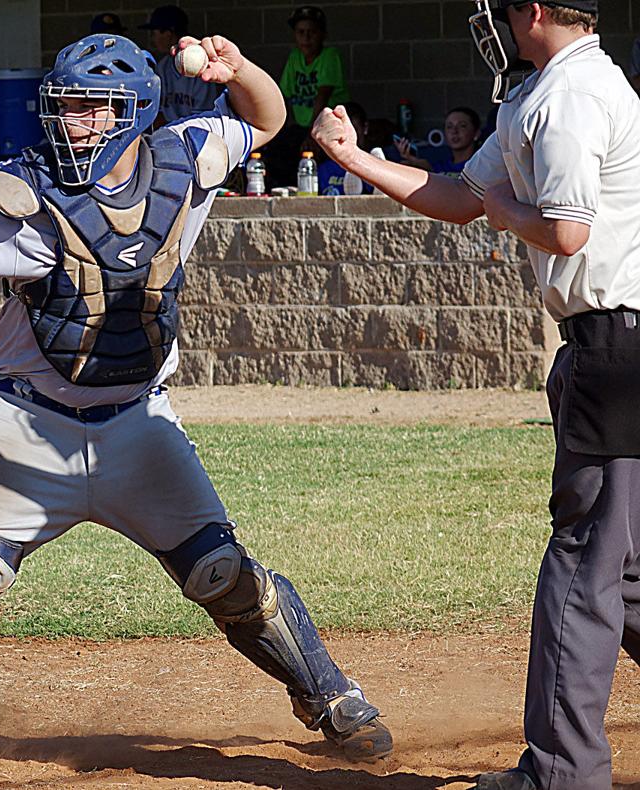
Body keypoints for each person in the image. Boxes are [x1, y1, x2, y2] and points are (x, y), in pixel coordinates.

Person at [0, 30, 393, 766]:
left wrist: (241, 70)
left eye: (95, 108)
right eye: (66, 108)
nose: (75, 122)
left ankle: (328, 694)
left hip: (138, 425)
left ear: (135, 111)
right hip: (25, 421)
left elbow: (266, 119)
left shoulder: (185, 159)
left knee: (223, 575)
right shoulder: (16, 192)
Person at [312, 2, 639, 788]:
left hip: (615, 344)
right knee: (627, 574)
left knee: (582, 562)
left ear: (533, 12)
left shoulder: (568, 99)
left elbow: (565, 231)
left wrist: (503, 211)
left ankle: (560, 773)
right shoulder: (554, 90)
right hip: (615, 344)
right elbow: (461, 193)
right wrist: (358, 159)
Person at [262, 5, 351, 188]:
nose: (306, 38)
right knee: (276, 150)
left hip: (329, 125)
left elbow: (322, 97)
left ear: (323, 35)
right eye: (300, 32)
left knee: (317, 153)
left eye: (312, 32)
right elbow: (283, 97)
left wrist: (312, 136)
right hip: (303, 128)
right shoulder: (295, 57)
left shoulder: (329, 56)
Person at [140, 5, 221, 123]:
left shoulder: (201, 67)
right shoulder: (163, 67)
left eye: (154, 33)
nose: (153, 39)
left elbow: (204, 118)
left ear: (167, 33)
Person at [394, 106, 482, 179]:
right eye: (449, 127)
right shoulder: (439, 166)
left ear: (476, 133)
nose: (454, 131)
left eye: (462, 126)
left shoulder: (482, 166)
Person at [317, 101, 373, 195]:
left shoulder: (372, 165)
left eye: (355, 130)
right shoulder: (324, 169)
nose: (349, 136)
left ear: (365, 128)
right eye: (344, 130)